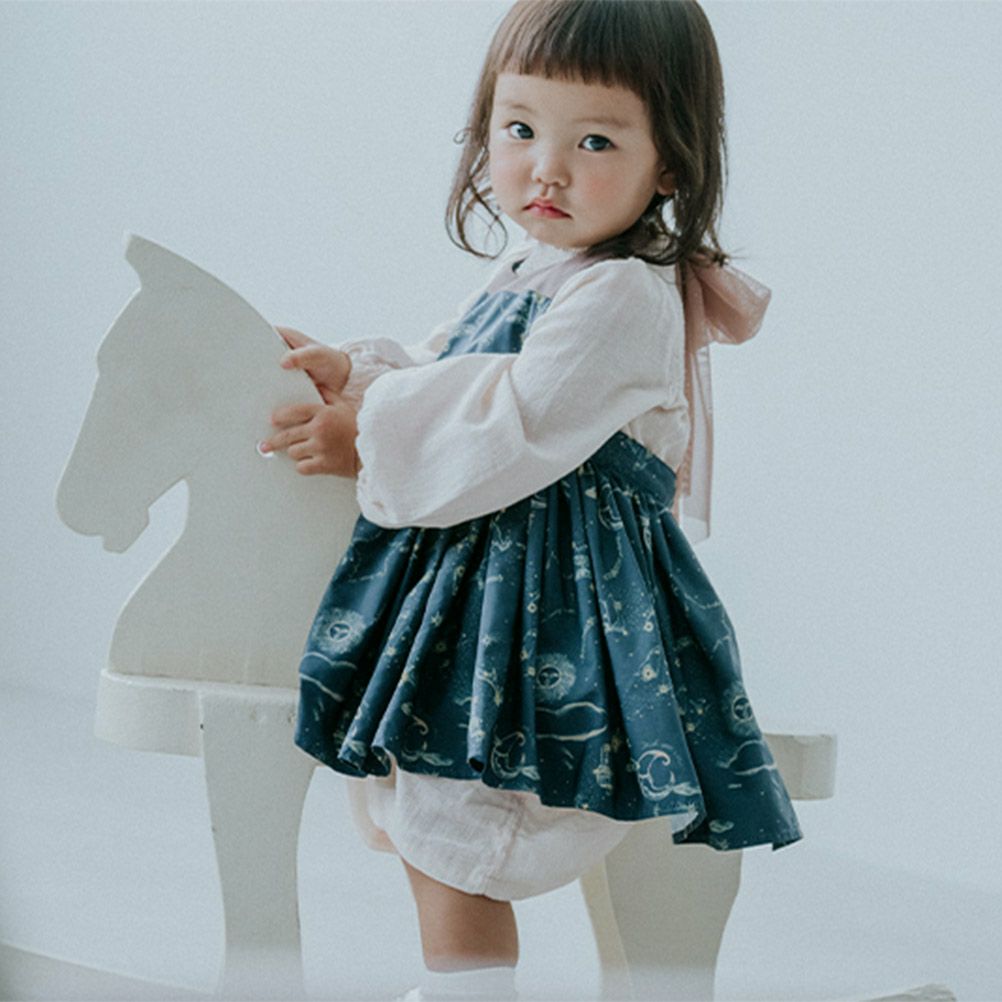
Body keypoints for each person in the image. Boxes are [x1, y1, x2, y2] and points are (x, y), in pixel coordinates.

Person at [259, 2, 803, 999]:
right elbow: (448, 366)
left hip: (554, 605)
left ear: (671, 163)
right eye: (520, 129)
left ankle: (471, 989)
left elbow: (514, 417)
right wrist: (361, 372)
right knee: (423, 794)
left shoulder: (625, 294)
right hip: (490, 588)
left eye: (594, 141)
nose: (545, 170)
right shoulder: (535, 268)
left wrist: (367, 431)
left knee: (462, 810)